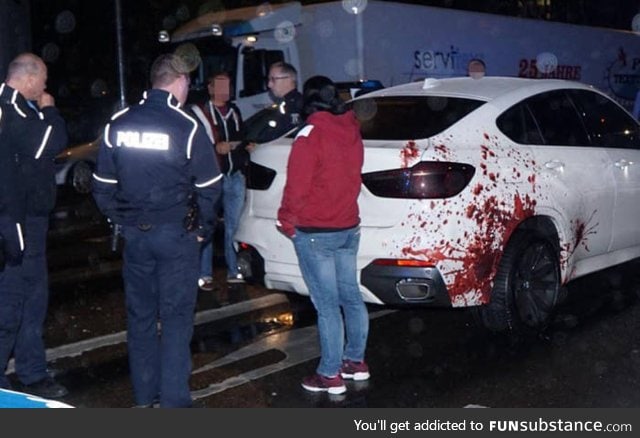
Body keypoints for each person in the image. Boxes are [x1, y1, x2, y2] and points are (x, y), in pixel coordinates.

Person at [92, 53, 222, 408]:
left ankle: (144, 396)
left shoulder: (118, 123)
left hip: (136, 236)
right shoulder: (187, 126)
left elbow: (102, 186)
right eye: (188, 83)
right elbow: (211, 186)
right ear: (179, 81)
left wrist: (124, 220)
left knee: (141, 318)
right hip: (177, 236)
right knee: (177, 318)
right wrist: (202, 231)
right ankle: (174, 402)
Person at [277, 75, 369, 395]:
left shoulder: (310, 134)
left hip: (317, 231)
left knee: (327, 305)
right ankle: (355, 361)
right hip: (347, 227)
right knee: (351, 296)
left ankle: (330, 373)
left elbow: (297, 187)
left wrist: (287, 220)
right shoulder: (351, 128)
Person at [0, 53, 68, 398]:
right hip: (17, 222)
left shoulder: (18, 109)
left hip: (29, 220)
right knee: (12, 302)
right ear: (28, 79)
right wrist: (51, 110)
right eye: (42, 80)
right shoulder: (10, 109)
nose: (44, 87)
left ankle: (31, 371)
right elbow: (50, 143)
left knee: (32, 300)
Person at [191, 72, 253, 291]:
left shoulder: (234, 111)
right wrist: (216, 148)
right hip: (212, 178)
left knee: (233, 226)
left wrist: (243, 147)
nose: (225, 90)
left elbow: (242, 135)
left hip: (234, 175)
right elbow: (197, 143)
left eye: (227, 85)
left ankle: (234, 269)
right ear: (210, 88)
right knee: (206, 223)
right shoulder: (201, 112)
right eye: (220, 85)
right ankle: (204, 274)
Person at [266, 61, 303, 138]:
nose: (269, 85)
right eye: (269, 79)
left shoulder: (296, 106)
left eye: (273, 79)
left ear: (288, 80)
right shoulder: (284, 104)